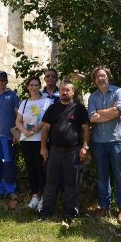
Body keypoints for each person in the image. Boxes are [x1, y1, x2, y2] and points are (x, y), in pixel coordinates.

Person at [38, 81, 90, 227]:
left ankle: (71, 213)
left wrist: (85, 147)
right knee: (50, 183)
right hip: (54, 152)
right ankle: (46, 212)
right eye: (62, 90)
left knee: (71, 184)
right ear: (59, 92)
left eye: (67, 90)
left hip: (72, 152)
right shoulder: (53, 108)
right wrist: (43, 147)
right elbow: (45, 128)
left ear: (73, 92)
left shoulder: (79, 108)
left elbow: (85, 128)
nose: (64, 92)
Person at [87, 66, 121, 222]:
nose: (100, 78)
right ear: (94, 80)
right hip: (99, 142)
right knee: (102, 176)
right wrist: (111, 111)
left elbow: (119, 111)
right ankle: (104, 206)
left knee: (120, 176)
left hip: (117, 141)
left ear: (108, 77)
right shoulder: (92, 97)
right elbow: (92, 118)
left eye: (103, 75)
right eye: (97, 76)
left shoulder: (119, 91)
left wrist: (100, 112)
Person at [15, 76, 52, 210]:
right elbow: (18, 121)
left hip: (41, 141)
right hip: (26, 141)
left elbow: (49, 119)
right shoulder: (24, 102)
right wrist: (24, 131)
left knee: (42, 169)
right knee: (31, 168)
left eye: (36, 85)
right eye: (31, 85)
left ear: (40, 86)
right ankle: (35, 195)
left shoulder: (47, 101)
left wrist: (38, 127)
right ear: (28, 87)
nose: (34, 87)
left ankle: (43, 197)